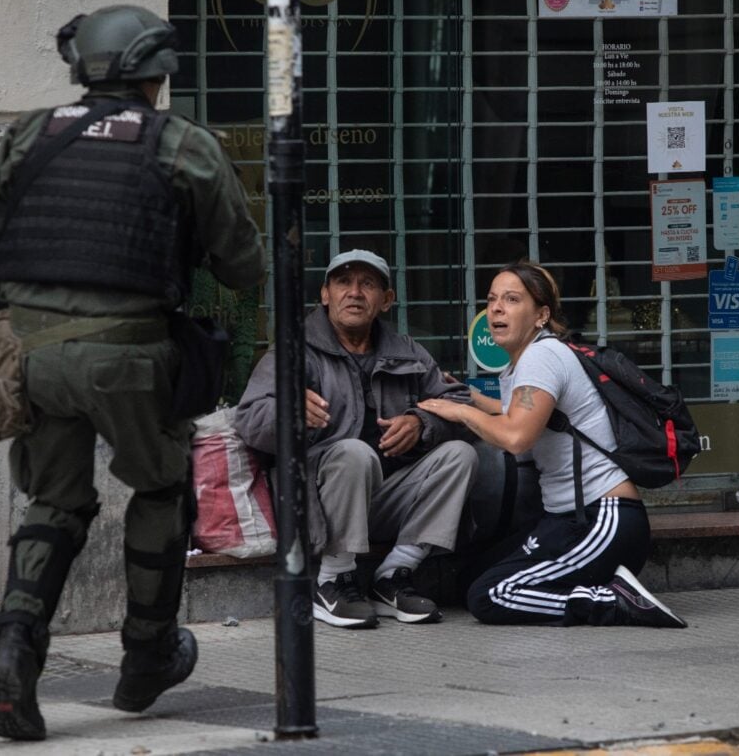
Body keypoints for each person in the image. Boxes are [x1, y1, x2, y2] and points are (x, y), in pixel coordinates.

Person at [0, 5, 265, 741]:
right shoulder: (181, 144)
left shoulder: (32, 134)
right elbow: (243, 265)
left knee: (54, 502)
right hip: (130, 354)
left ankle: (14, 647)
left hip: (32, 357)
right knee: (159, 487)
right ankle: (146, 656)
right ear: (156, 73)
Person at [416, 260, 687, 629]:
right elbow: (523, 412)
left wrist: (457, 411)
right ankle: (596, 588)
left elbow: (517, 436)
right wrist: (471, 396)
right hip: (568, 519)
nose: (496, 308)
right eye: (492, 299)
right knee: (471, 577)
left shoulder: (541, 357)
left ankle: (612, 601)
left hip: (601, 518)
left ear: (541, 314)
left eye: (512, 299)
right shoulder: (531, 358)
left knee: (490, 595)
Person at [234, 248, 478, 629]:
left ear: (386, 300)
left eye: (368, 284)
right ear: (325, 294)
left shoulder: (407, 351)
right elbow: (248, 420)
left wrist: (421, 420)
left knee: (460, 454)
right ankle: (334, 578)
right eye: (343, 282)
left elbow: (461, 403)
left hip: (386, 498)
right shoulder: (293, 351)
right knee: (352, 452)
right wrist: (288, 413)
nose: (355, 292)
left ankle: (394, 574)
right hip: (317, 503)